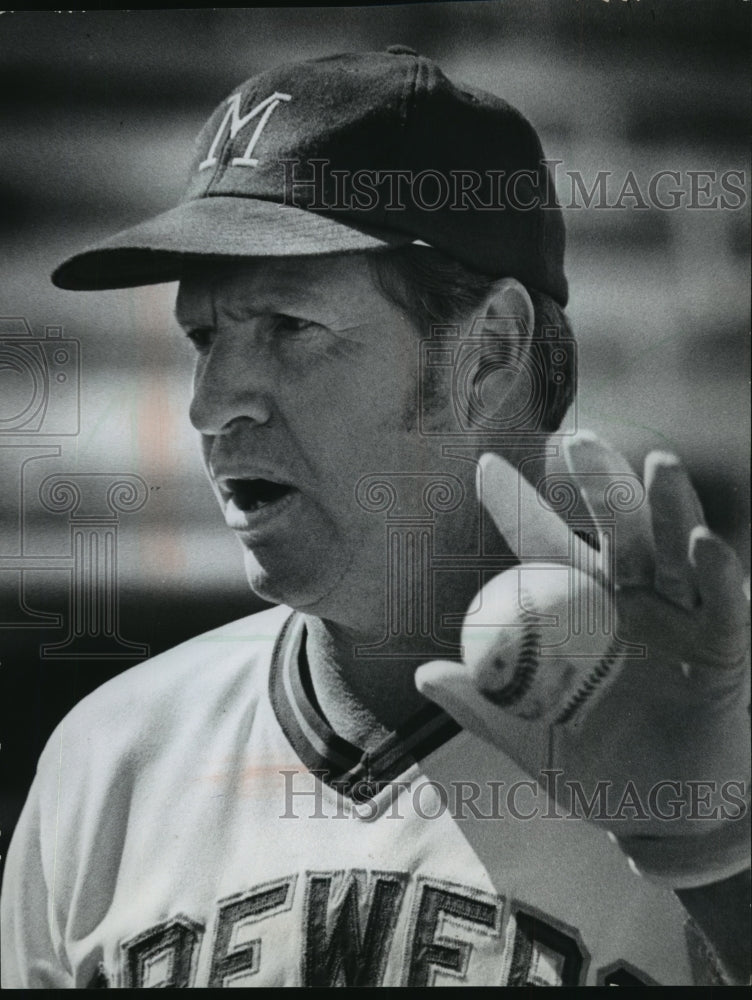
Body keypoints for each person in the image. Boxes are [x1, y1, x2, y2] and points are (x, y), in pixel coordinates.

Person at [1, 48, 749, 988]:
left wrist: (714, 852)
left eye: (288, 326)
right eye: (203, 337)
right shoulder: (108, 761)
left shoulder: (719, 730)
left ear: (488, 351)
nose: (210, 403)